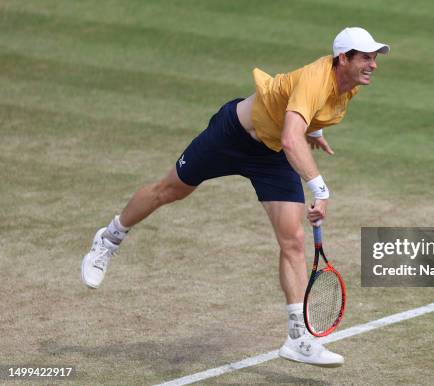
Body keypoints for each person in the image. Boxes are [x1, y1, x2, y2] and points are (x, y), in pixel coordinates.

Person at [81, 27, 389, 367]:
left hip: (271, 157)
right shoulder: (316, 78)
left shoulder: (348, 87)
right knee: (170, 191)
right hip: (231, 136)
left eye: (374, 58)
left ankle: (299, 338)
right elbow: (291, 137)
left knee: (293, 238)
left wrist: (312, 131)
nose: (372, 65)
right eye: (365, 57)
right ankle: (109, 238)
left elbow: (302, 117)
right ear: (342, 58)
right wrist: (320, 187)